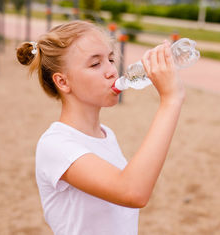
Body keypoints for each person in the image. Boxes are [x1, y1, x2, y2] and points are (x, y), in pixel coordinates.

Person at [16, 20, 185, 235]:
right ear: (63, 82)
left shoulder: (106, 135)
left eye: (111, 59)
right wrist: (170, 100)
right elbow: (132, 192)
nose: (112, 71)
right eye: (95, 64)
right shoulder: (55, 145)